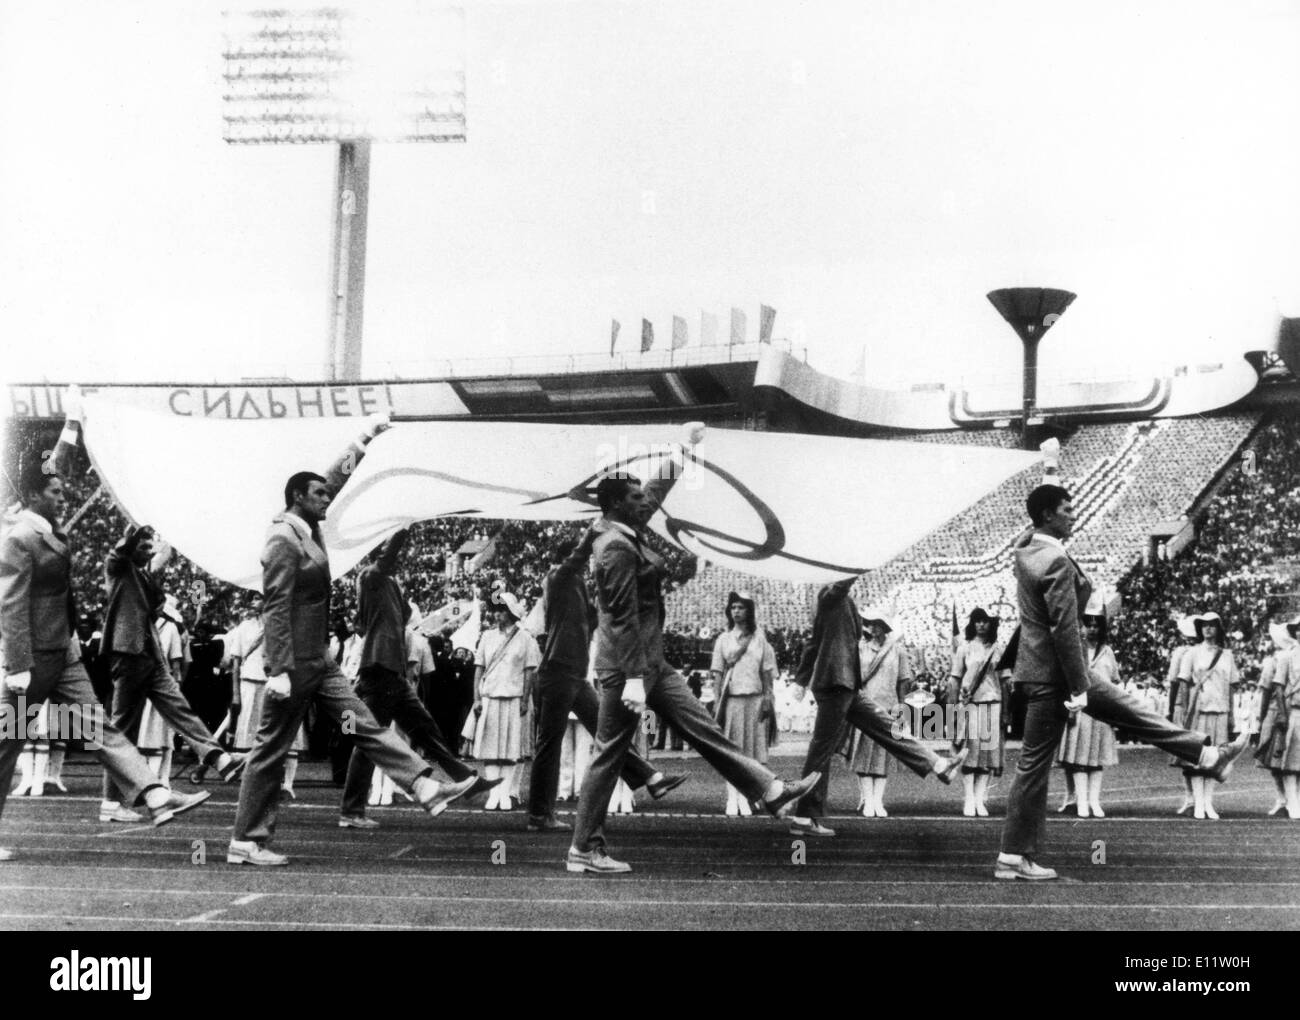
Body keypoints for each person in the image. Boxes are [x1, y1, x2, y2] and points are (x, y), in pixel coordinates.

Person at [566, 475, 820, 874]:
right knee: (609, 755)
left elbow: (650, 496)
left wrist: (681, 453)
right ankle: (584, 848)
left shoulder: (620, 526)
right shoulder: (614, 546)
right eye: (635, 498)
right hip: (627, 667)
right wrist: (633, 678)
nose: (644, 503)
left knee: (703, 728)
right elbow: (620, 616)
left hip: (651, 662)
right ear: (617, 505)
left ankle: (770, 790)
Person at [995, 485, 1248, 881]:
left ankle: (1206, 756)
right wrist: (1079, 685)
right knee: (1035, 766)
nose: (1073, 514)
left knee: (1128, 710)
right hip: (1059, 673)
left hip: (1050, 669)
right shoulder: (1053, 559)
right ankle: (1012, 855)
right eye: (1066, 509)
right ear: (1046, 515)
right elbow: (1063, 626)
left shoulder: (1029, 550)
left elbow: (1056, 611)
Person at [227, 471, 476, 867]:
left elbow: (331, 482)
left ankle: (423, 784)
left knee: (363, 723)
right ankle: (245, 840)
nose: (328, 499)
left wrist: (364, 441)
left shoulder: (306, 527)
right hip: (293, 666)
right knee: (270, 752)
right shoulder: (282, 538)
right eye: (319, 494)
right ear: (297, 497)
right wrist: (277, 668)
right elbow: (275, 605)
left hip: (320, 661)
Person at [1, 464, 210, 861]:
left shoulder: (49, 531)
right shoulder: (18, 537)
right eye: (55, 493)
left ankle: (155, 793)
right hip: (28, 665)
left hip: (63, 656)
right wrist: (16, 665)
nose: (63, 499)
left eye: (62, 491)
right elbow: (10, 603)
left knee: (99, 727)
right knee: (5, 746)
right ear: (32, 495)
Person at [528, 529, 684, 832]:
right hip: (557, 670)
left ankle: (649, 777)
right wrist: (589, 538)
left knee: (605, 731)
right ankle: (538, 814)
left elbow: (600, 616)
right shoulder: (556, 578)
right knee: (550, 745)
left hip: (575, 673)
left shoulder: (580, 587)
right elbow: (572, 567)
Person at [338, 529, 494, 830]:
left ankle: (464, 779)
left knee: (423, 729)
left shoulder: (386, 584)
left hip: (390, 670)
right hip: (380, 669)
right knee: (374, 740)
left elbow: (406, 615)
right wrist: (406, 526)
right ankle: (351, 809)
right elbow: (387, 562)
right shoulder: (370, 576)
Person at [787, 581, 965, 837]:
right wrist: (801, 680)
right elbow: (816, 638)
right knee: (821, 750)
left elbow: (814, 643)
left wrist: (801, 680)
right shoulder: (830, 595)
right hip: (836, 684)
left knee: (886, 727)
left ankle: (937, 764)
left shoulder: (843, 603)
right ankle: (803, 818)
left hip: (847, 685)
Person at [97, 524, 241, 820]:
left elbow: (154, 592)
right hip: (129, 654)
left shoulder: (142, 574)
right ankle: (111, 803)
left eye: (150, 548)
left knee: (179, 708)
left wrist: (158, 549)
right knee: (122, 729)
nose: (147, 552)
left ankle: (219, 758)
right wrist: (131, 535)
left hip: (149, 654)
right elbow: (120, 551)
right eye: (143, 547)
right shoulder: (119, 567)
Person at [710, 591, 777, 816]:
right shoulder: (723, 639)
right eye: (733, 607)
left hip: (756, 700)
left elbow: (767, 672)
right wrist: (716, 702)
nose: (737, 611)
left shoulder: (760, 639)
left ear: (749, 611)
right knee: (734, 753)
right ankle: (733, 798)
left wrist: (769, 697)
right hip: (733, 702)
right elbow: (717, 675)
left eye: (741, 607)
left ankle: (748, 797)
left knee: (754, 753)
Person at [472, 590, 539, 810]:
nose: (497, 615)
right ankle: (494, 793)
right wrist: (477, 698)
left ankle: (505, 793)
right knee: (490, 749)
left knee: (511, 750)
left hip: (514, 698)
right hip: (490, 697)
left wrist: (524, 699)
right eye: (495, 611)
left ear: (511, 612)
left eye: (501, 611)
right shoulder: (487, 637)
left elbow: (530, 671)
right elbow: (479, 669)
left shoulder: (526, 638)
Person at [848, 608, 918, 819]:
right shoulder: (860, 648)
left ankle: (878, 799)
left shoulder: (897, 651)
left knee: (882, 756)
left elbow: (903, 683)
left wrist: (902, 711)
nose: (873, 626)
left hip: (888, 707)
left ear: (885, 626)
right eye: (871, 622)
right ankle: (868, 799)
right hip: (864, 706)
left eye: (878, 622)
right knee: (863, 756)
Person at [1054, 595, 1118, 818]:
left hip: (1100, 711)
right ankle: (1081, 801)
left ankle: (1094, 801)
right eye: (1088, 624)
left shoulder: (1107, 652)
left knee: (1096, 759)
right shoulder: (1074, 650)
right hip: (1079, 710)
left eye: (1096, 625)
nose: (1092, 629)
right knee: (1079, 759)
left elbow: (1115, 682)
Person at [1177, 611, 1240, 820]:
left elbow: (1231, 687)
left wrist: (1232, 713)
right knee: (1198, 758)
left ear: (1218, 628)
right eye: (1204, 625)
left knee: (1216, 758)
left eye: (1212, 624)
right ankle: (1198, 804)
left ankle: (1208, 803)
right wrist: (1185, 709)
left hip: (1220, 711)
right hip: (1199, 710)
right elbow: (1184, 682)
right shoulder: (1192, 653)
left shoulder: (1227, 655)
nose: (1208, 628)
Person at [949, 607, 1009, 817]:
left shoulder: (998, 650)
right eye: (978, 621)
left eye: (985, 621)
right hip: (970, 704)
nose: (982, 625)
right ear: (972, 624)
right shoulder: (964, 648)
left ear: (991, 624)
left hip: (993, 703)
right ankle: (969, 798)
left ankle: (980, 798)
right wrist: (952, 709)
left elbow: (1004, 682)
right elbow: (955, 679)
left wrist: (1005, 713)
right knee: (970, 751)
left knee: (987, 753)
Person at [1254, 617, 1297, 816]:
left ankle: (1290, 800)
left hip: (1287, 708)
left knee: (1289, 758)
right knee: (1277, 757)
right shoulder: (1277, 659)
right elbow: (1267, 691)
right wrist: (1262, 717)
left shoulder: (1286, 657)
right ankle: (1284, 800)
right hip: (1279, 709)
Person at [1165, 613, 1200, 814]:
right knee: (1193, 753)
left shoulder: (1181, 652)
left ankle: (1191, 797)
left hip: (1183, 705)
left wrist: (1170, 709)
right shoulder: (1200, 651)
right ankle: (1193, 797)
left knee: (1188, 753)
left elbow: (1174, 682)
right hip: (1196, 705)